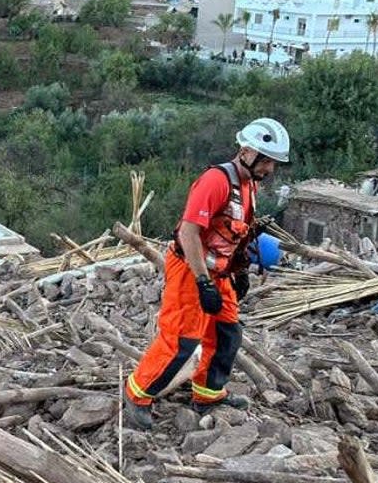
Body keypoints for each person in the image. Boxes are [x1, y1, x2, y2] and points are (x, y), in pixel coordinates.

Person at [123, 118, 290, 431]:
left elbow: (234, 233)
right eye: (267, 161)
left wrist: (239, 270)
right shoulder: (216, 181)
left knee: (227, 334)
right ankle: (137, 395)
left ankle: (208, 394)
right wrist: (202, 282)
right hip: (191, 268)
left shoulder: (249, 186)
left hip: (220, 270)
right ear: (247, 151)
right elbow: (189, 233)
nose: (269, 170)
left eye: (273, 163)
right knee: (181, 340)